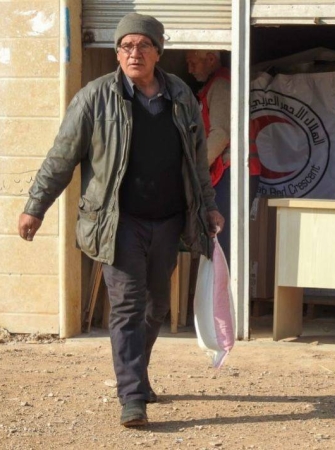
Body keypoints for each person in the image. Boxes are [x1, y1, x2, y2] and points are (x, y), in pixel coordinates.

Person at [18, 13, 224, 427]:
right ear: (117, 53)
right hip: (117, 221)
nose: (135, 53)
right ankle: (131, 395)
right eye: (126, 46)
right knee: (128, 304)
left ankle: (138, 375)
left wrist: (208, 205)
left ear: (159, 52)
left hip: (168, 220)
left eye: (143, 45)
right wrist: (35, 206)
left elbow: (196, 161)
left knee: (157, 305)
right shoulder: (94, 98)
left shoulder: (180, 95)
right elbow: (62, 158)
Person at [185, 50, 232, 260]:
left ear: (211, 59)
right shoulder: (212, 85)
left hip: (229, 171)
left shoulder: (221, 84)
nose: (190, 69)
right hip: (223, 170)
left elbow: (221, 134)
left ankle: (224, 290)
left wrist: (195, 170)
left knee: (222, 237)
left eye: (193, 62)